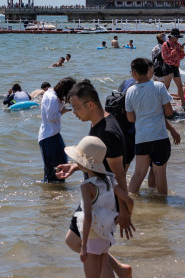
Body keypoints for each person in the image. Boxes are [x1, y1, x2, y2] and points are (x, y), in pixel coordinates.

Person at [56, 82, 134, 278]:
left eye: (76, 107)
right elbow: (98, 162)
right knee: (97, 251)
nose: (74, 112)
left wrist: (124, 212)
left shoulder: (108, 132)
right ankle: (121, 270)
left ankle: (119, 270)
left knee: (76, 243)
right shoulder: (98, 124)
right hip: (99, 195)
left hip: (104, 201)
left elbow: (119, 174)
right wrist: (75, 166)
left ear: (90, 105)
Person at [62, 136, 134, 278]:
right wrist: (125, 216)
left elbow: (88, 216)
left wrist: (83, 247)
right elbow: (129, 201)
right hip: (105, 236)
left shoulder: (87, 186)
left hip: (93, 238)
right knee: (104, 267)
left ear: (84, 164)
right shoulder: (109, 179)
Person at [125, 58, 176, 195]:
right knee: (159, 173)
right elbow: (169, 111)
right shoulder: (159, 86)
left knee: (138, 174)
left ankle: (129, 203)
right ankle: (162, 205)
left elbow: (130, 118)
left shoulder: (130, 91)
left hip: (141, 137)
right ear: (148, 71)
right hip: (159, 136)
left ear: (134, 73)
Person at [38, 78, 74, 183]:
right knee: (56, 170)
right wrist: (62, 111)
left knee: (60, 165)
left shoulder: (51, 94)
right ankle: (53, 195)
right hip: (49, 136)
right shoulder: (52, 98)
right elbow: (51, 117)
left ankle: (54, 194)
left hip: (51, 134)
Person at [161, 28, 185, 109]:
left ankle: (183, 104)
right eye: (176, 37)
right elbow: (164, 57)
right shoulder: (165, 45)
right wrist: (174, 51)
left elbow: (182, 57)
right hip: (168, 66)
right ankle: (163, 105)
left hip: (176, 67)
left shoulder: (178, 44)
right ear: (171, 37)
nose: (177, 39)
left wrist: (182, 50)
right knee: (166, 86)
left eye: (178, 37)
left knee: (180, 86)